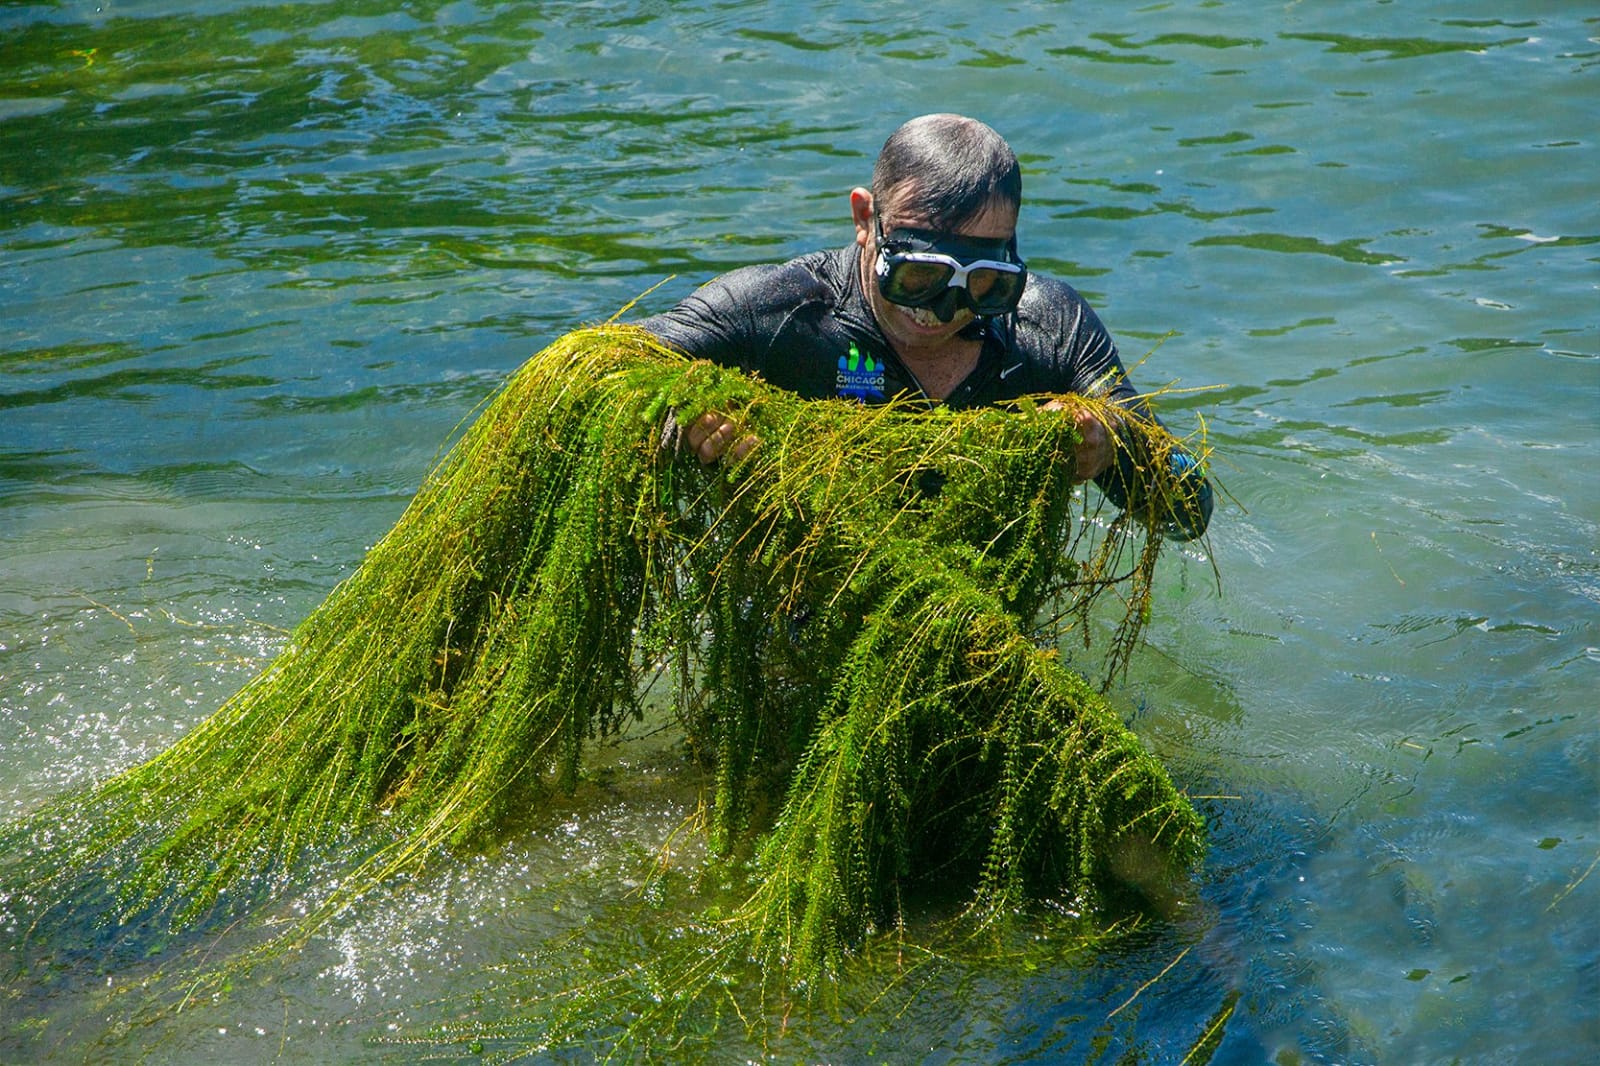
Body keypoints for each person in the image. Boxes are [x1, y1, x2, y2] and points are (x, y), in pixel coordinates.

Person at [637, 113, 1212, 541]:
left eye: (982, 285)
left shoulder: (1046, 327)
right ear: (867, 218)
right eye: (917, 277)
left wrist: (1114, 445)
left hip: (984, 634)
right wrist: (680, 423)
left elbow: (1192, 510)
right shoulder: (780, 313)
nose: (940, 311)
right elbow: (592, 375)